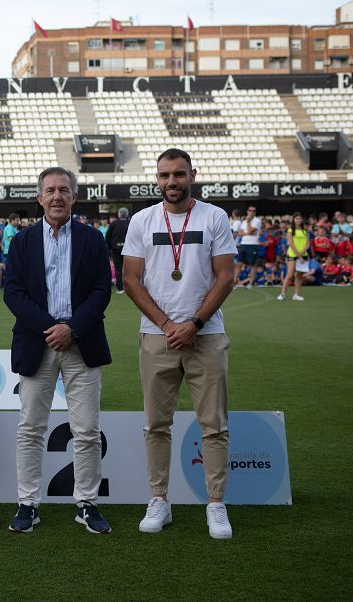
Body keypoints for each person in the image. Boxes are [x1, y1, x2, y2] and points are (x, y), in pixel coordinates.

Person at [122, 148, 237, 540]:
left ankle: (216, 503)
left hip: (206, 334)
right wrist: (169, 323)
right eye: (165, 175)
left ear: (192, 175)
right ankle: (159, 499)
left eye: (179, 174)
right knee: (156, 423)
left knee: (214, 425)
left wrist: (195, 322)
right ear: (157, 179)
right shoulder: (141, 220)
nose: (172, 182)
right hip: (157, 336)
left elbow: (225, 277)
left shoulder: (214, 216)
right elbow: (131, 281)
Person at [5, 167, 113, 535]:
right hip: (38, 342)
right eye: (49, 191)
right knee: (31, 428)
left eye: (63, 190)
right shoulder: (21, 242)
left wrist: (72, 328)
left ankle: (86, 502)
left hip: (82, 343)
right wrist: (50, 329)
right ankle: (27, 504)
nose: (56, 197)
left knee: (86, 430)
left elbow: (102, 291)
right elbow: (13, 293)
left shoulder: (93, 239)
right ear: (39, 197)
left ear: (74, 196)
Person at [278, 212, 309, 302]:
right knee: (290, 275)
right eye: (296, 219)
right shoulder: (290, 230)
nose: (298, 220)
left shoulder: (305, 231)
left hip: (303, 256)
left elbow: (307, 244)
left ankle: (296, 294)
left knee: (299, 276)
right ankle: (282, 294)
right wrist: (299, 255)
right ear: (294, 220)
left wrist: (302, 254)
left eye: (300, 219)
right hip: (293, 255)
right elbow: (291, 244)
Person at [105, 207, 130, 294]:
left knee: (118, 268)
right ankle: (130, 287)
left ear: (119, 215)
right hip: (129, 249)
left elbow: (108, 236)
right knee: (129, 269)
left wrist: (109, 248)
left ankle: (120, 288)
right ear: (127, 215)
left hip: (116, 250)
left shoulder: (114, 224)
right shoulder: (129, 223)